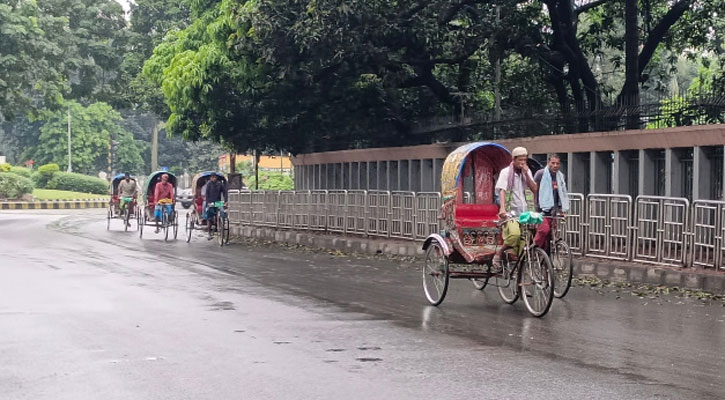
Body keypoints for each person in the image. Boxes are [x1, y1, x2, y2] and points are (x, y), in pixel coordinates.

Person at [493, 147, 538, 272]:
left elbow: (534, 189)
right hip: (510, 212)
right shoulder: (506, 172)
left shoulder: (527, 172)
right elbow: (502, 190)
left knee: (525, 242)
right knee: (514, 234)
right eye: (520, 160)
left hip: (525, 212)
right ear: (513, 159)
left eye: (525, 160)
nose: (522, 162)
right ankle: (499, 253)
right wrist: (502, 208)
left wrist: (526, 174)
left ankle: (520, 270)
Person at [533, 153, 570, 249]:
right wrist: (534, 208)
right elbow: (533, 190)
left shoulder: (560, 176)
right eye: (553, 163)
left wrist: (562, 210)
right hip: (540, 210)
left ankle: (547, 260)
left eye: (557, 163)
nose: (555, 166)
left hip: (553, 211)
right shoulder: (540, 174)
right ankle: (534, 248)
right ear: (548, 162)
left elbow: (560, 194)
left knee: (552, 235)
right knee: (544, 230)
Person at [203, 173, 227, 239]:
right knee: (209, 217)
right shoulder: (208, 184)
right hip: (210, 202)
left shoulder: (220, 184)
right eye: (212, 177)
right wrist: (208, 203)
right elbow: (207, 194)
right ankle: (209, 233)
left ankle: (220, 224)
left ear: (216, 178)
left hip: (218, 202)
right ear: (210, 178)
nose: (213, 179)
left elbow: (224, 192)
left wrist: (226, 201)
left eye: (214, 177)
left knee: (222, 212)